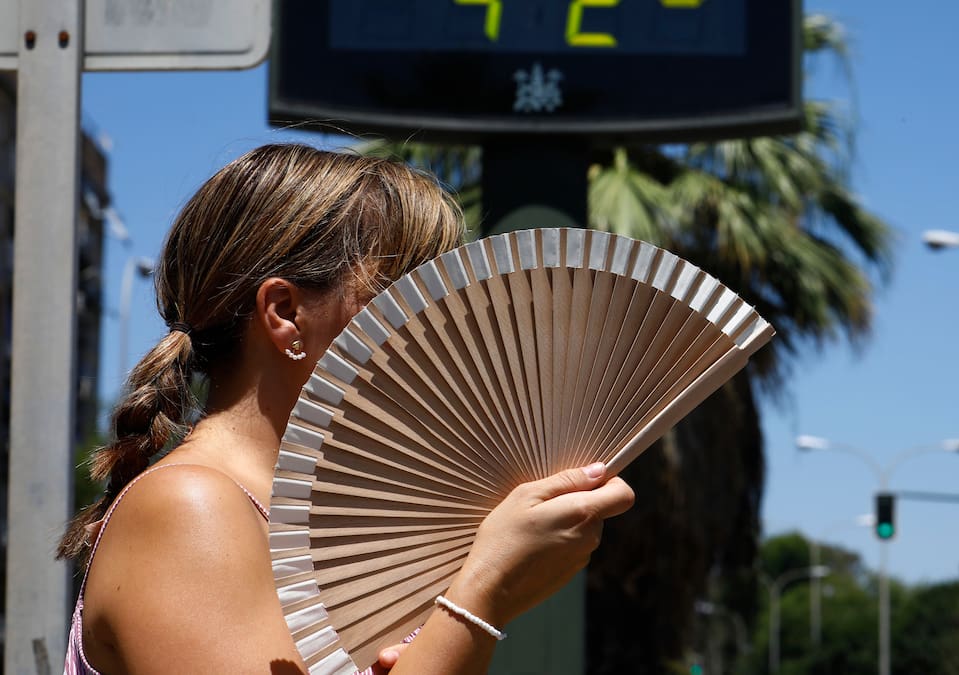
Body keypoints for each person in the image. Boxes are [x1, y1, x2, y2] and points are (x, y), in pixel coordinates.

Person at [58, 143, 635, 674]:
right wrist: (485, 591)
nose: (444, 329)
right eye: (406, 297)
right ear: (286, 314)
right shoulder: (192, 507)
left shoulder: (320, 522)